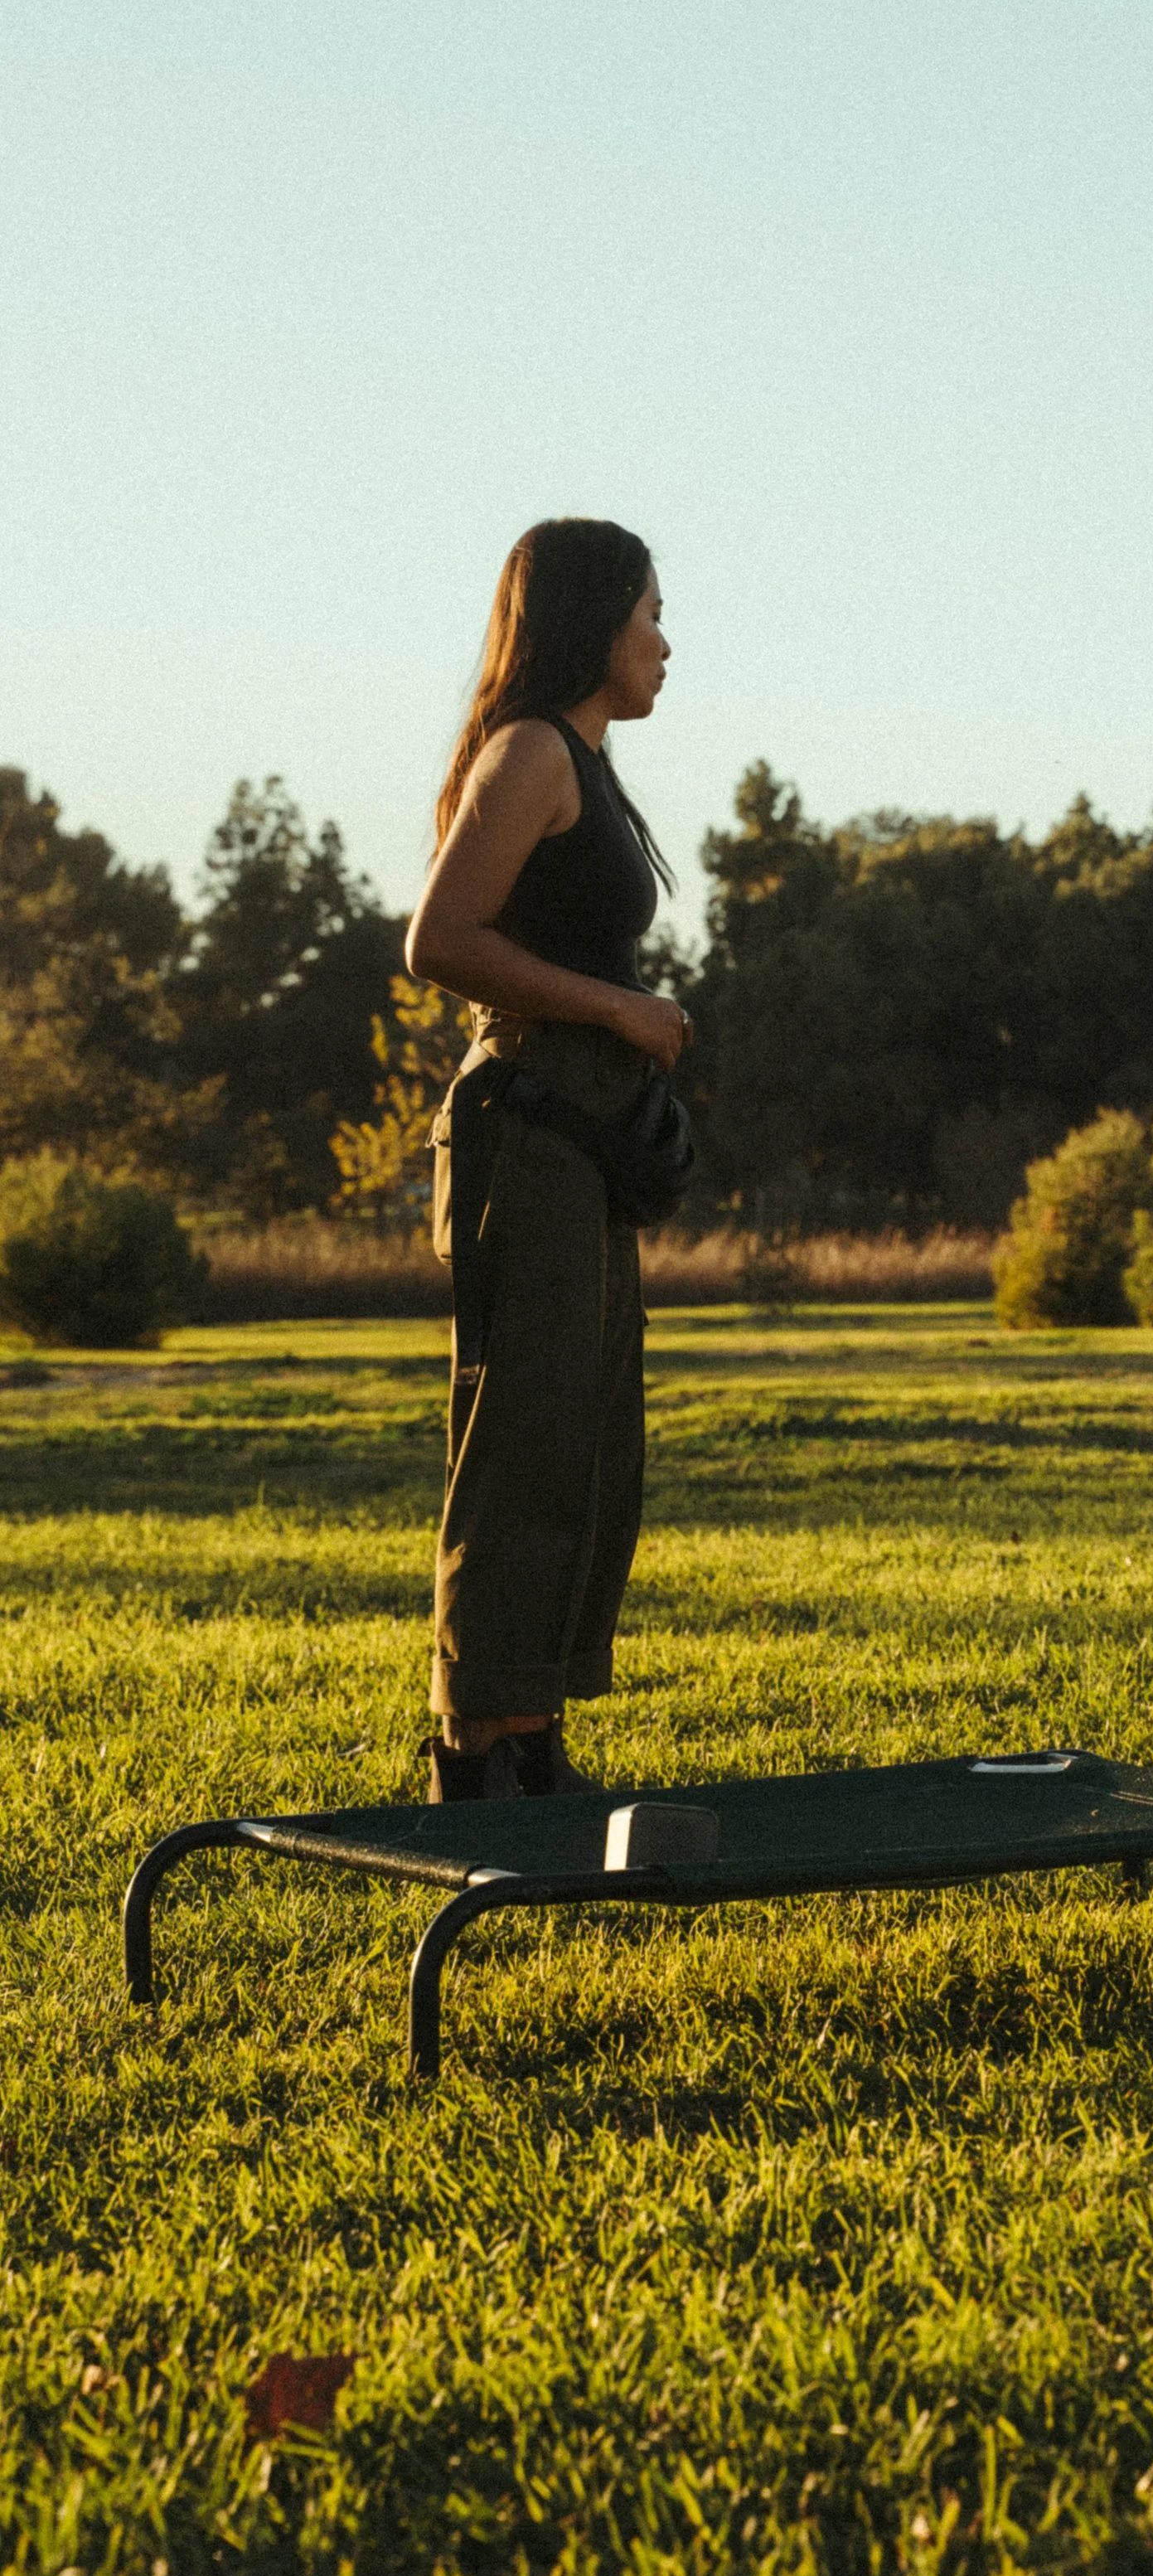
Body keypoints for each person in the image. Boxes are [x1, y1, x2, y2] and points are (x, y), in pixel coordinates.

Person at [404, 518, 687, 1802]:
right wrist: (620, 1011)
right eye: (651, 615)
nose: (667, 645)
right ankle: (474, 1751)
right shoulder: (529, 753)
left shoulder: (583, 760)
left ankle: (529, 1731)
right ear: (593, 624)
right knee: (521, 1434)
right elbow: (440, 941)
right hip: (526, 1127)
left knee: (582, 1436)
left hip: (579, 1136)